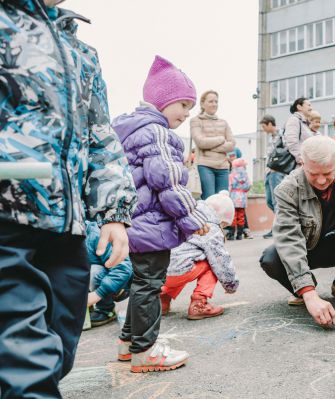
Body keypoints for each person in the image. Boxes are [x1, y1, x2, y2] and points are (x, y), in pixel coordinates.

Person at [0, 0, 137, 396]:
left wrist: (113, 213)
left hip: (67, 227)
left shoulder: (79, 50)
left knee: (59, 350)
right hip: (8, 221)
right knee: (28, 369)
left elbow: (100, 133)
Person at [112, 55, 211, 373]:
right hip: (151, 224)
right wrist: (192, 218)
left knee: (142, 281)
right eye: (182, 104)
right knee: (150, 284)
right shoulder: (156, 132)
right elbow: (167, 181)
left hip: (137, 221)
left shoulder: (134, 129)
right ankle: (145, 350)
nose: (186, 113)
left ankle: (130, 343)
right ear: (161, 100)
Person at [259, 136, 335, 328]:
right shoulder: (287, 189)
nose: (321, 181)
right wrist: (309, 293)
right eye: (313, 173)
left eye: (327, 173)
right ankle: (305, 291)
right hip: (306, 248)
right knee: (270, 258)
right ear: (302, 163)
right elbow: (289, 240)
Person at [161, 193, 238, 320]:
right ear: (222, 219)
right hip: (179, 271)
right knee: (212, 262)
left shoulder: (187, 215)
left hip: (160, 270)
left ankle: (162, 300)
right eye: (223, 226)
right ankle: (199, 304)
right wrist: (231, 284)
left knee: (183, 260)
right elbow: (220, 260)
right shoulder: (211, 227)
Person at [85, 221, 133, 328]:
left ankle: (106, 310)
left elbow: (123, 269)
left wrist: (98, 294)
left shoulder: (95, 236)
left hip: (121, 283)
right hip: (106, 279)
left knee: (94, 272)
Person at [190, 90, 236, 199]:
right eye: (211, 101)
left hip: (223, 167)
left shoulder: (223, 122)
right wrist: (221, 139)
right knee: (210, 201)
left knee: (223, 201)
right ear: (202, 104)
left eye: (216, 101)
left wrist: (209, 147)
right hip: (205, 166)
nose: (214, 104)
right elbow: (200, 142)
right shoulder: (195, 121)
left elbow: (232, 144)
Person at [260, 115, 286, 239]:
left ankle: (277, 228)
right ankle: (280, 225)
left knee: (276, 201)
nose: (263, 129)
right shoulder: (270, 137)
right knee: (270, 201)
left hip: (278, 171)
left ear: (270, 124)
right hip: (269, 172)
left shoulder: (282, 135)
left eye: (264, 126)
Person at [284, 97, 314, 166]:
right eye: (308, 105)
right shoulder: (294, 120)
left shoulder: (303, 123)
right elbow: (291, 142)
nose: (311, 108)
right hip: (299, 165)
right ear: (299, 107)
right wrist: (300, 159)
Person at [229, 158, 251, 240]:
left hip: (233, 197)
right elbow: (248, 186)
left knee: (233, 216)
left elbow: (229, 186)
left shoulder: (232, 175)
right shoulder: (245, 175)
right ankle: (239, 235)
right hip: (242, 198)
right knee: (241, 216)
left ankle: (231, 235)